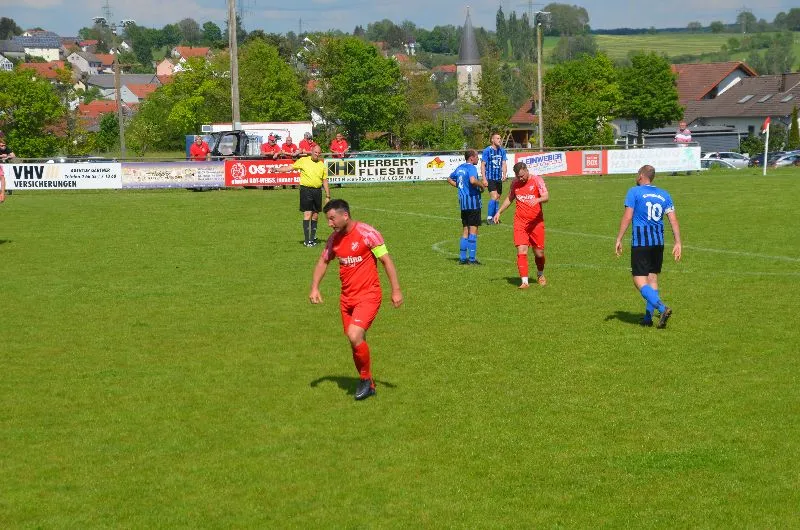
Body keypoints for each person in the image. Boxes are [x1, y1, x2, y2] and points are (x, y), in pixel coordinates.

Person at [309, 199, 403, 401]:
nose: (330, 224)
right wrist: (315, 287)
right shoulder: (334, 239)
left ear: (345, 215)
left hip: (369, 295)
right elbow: (323, 261)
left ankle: (365, 380)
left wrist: (396, 290)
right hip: (346, 299)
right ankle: (369, 384)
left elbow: (386, 261)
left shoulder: (368, 234)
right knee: (355, 342)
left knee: (354, 335)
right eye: (328, 220)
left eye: (332, 219)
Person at [614, 164, 683, 329]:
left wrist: (619, 238)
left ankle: (662, 308)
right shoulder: (664, 194)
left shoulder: (634, 192)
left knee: (638, 279)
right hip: (658, 243)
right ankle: (647, 318)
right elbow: (673, 220)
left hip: (641, 243)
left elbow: (627, 216)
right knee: (652, 279)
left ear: (640, 176)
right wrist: (678, 242)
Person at [493, 161, 549, 289]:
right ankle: (524, 282)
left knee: (539, 253)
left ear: (527, 170)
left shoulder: (537, 180)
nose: (521, 178)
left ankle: (540, 274)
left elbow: (546, 196)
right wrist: (499, 212)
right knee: (522, 250)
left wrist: (538, 199)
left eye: (522, 176)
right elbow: (510, 198)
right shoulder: (515, 183)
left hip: (536, 223)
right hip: (520, 223)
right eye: (518, 176)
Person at [447, 149, 487, 264]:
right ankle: (472, 260)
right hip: (473, 202)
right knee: (473, 231)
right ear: (471, 158)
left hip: (463, 204)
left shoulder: (460, 168)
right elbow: (473, 180)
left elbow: (449, 179)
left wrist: (460, 186)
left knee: (465, 230)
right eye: (477, 156)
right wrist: (482, 186)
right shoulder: (471, 168)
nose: (478, 158)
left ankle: (462, 258)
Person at [293, 145, 330, 246]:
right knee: (308, 214)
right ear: (311, 151)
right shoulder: (303, 160)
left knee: (315, 215)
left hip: (317, 191)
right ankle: (306, 241)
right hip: (306, 190)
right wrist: (276, 169)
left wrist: (328, 196)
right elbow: (290, 167)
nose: (317, 154)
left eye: (319, 153)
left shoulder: (321, 165)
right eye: (315, 152)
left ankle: (312, 239)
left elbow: (325, 180)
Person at [481, 132, 508, 225]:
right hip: (490, 177)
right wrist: (484, 178)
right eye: (497, 138)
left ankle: (495, 217)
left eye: (500, 138)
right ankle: (489, 218)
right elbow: (483, 165)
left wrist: (504, 174)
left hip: (498, 178)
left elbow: (504, 163)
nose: (499, 140)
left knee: (498, 198)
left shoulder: (502, 151)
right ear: (492, 140)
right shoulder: (487, 150)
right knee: (494, 196)